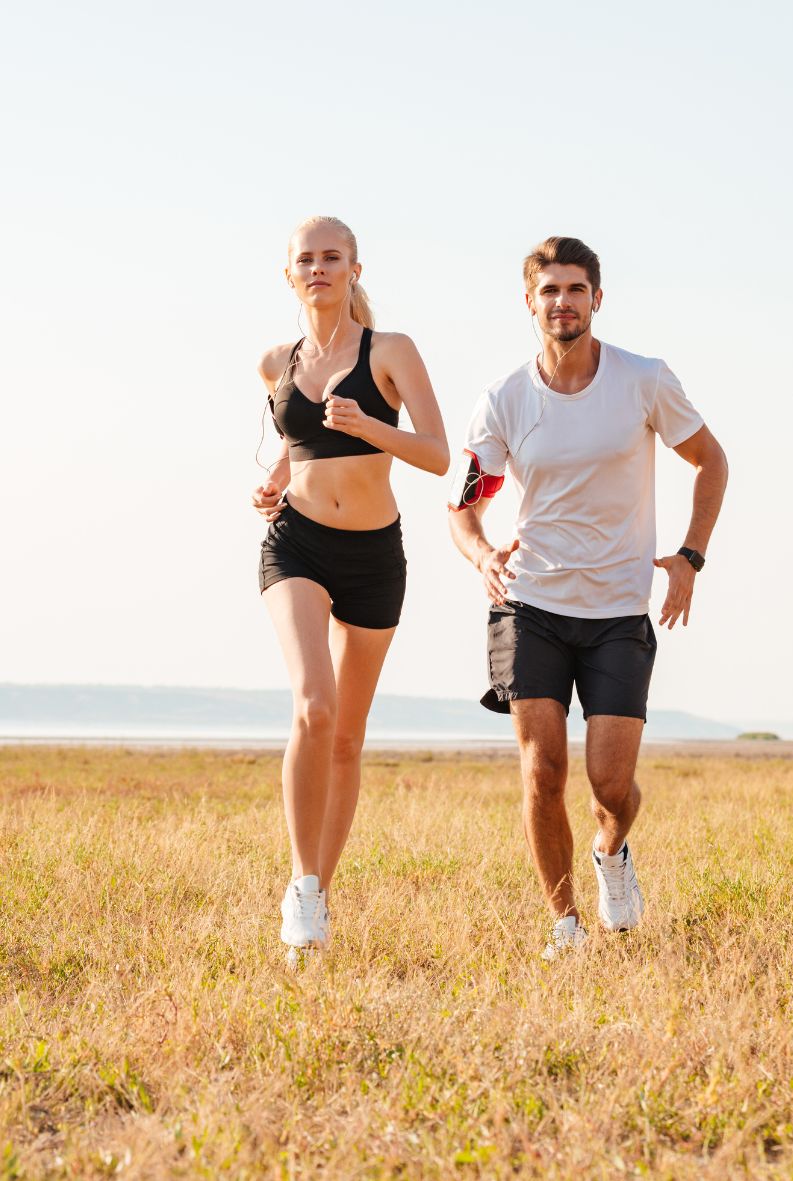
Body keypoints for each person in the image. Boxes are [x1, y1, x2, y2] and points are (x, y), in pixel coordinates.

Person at [448, 235, 728, 959]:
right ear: (528, 303)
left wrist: (690, 556)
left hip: (615, 611)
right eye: (549, 290)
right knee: (543, 770)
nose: (562, 302)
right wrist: (480, 552)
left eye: (575, 289)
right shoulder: (504, 399)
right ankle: (564, 927)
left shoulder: (641, 379)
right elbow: (463, 503)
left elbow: (709, 460)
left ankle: (612, 853)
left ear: (596, 299)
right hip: (530, 603)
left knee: (611, 783)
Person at [252, 215, 449, 958]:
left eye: (332, 257)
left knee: (347, 736)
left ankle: (321, 892)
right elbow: (294, 443)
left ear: (354, 268)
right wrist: (273, 482)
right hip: (296, 542)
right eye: (306, 259)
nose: (319, 268)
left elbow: (435, 455)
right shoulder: (275, 360)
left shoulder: (390, 351)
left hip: (373, 556)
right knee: (314, 704)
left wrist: (369, 425)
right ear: (289, 274)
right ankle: (300, 887)